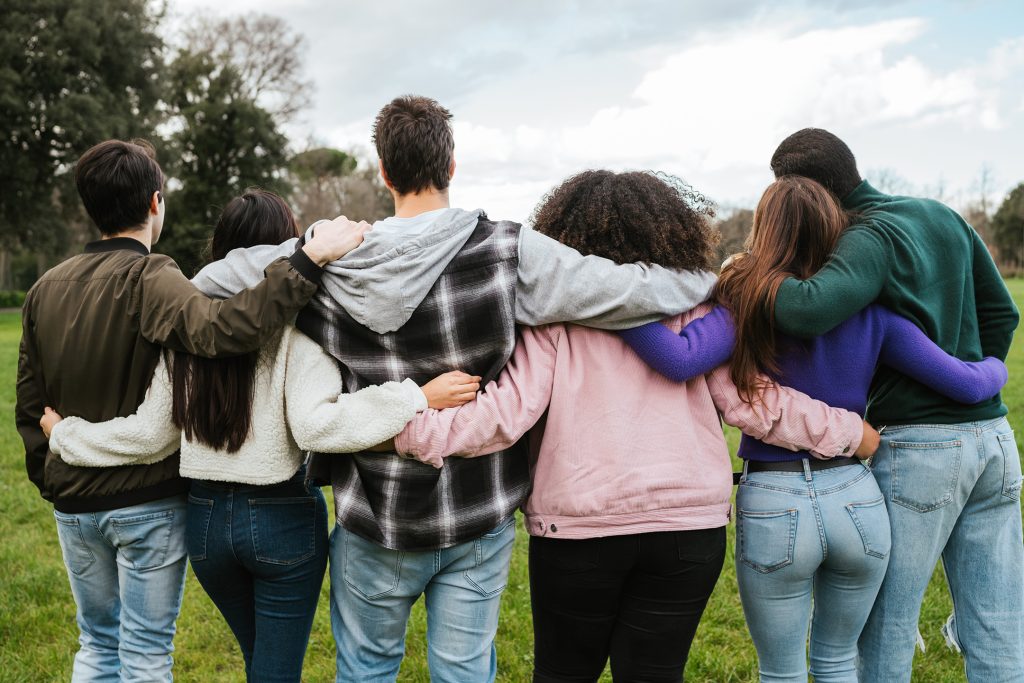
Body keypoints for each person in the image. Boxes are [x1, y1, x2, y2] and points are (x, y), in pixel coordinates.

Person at [188, 97, 723, 683]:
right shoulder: (509, 252)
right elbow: (632, 290)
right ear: (450, 165)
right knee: (463, 672)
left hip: (375, 512)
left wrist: (310, 250)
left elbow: (209, 281)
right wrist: (718, 280)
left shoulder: (331, 260)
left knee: (365, 670)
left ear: (384, 172)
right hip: (476, 510)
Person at [391, 170, 882, 682]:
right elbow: (756, 404)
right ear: (673, 230)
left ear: (565, 236)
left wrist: (400, 431)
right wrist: (852, 433)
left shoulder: (555, 317)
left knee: (563, 674)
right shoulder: (696, 310)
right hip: (688, 530)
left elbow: (503, 416)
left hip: (579, 529)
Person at [36, 189, 482, 682]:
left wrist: (65, 435)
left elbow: (149, 435)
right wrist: (416, 395)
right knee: (274, 672)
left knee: (262, 665)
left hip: (206, 525)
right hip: (280, 519)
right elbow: (318, 425)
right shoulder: (299, 325)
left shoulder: (186, 328)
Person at [618, 175, 1008, 682]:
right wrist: (996, 365)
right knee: (838, 662)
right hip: (857, 501)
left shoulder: (743, 303)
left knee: (781, 671)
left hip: (775, 501)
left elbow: (678, 358)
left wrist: (612, 304)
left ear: (763, 229)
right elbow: (966, 384)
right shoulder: (874, 314)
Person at [14, 139, 365, 682]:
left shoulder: (43, 289)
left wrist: (55, 478)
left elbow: (29, 402)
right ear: (155, 202)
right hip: (151, 503)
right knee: (146, 653)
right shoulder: (152, 276)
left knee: (96, 646)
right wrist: (306, 260)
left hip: (83, 506)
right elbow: (223, 331)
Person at [762, 129, 1022, 683]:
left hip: (921, 449)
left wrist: (744, 272)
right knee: (998, 625)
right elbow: (1003, 314)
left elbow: (807, 310)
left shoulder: (869, 235)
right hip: (995, 441)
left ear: (806, 190)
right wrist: (978, 379)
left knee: (883, 629)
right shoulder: (942, 214)